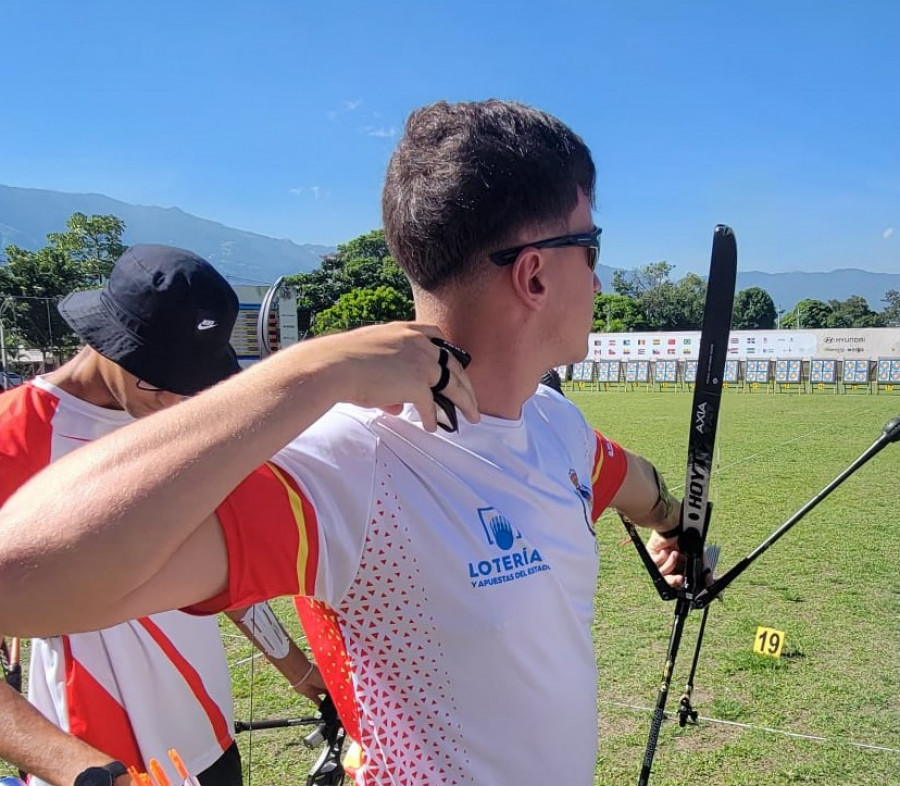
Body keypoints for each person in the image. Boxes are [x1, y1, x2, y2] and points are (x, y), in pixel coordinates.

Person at [0, 102, 687, 784]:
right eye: (589, 248)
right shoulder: (347, 466)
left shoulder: (555, 425)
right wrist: (311, 371)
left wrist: (676, 524)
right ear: (534, 274)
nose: (599, 279)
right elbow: (13, 579)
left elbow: (633, 483)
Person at [0, 245, 324, 786]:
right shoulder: (14, 436)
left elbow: (221, 566)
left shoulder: (182, 420)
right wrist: (82, 770)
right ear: (106, 338)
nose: (172, 404)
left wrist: (297, 668)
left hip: (208, 734)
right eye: (155, 380)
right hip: (97, 755)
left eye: (190, 383)